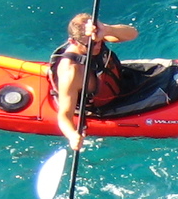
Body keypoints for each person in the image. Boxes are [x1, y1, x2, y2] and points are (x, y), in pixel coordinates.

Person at [49, 13, 139, 151]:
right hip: (103, 105)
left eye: (97, 42)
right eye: (89, 45)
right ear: (73, 41)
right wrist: (72, 136)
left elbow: (133, 34)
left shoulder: (96, 36)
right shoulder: (71, 72)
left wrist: (107, 30)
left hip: (120, 82)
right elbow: (64, 115)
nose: (96, 47)